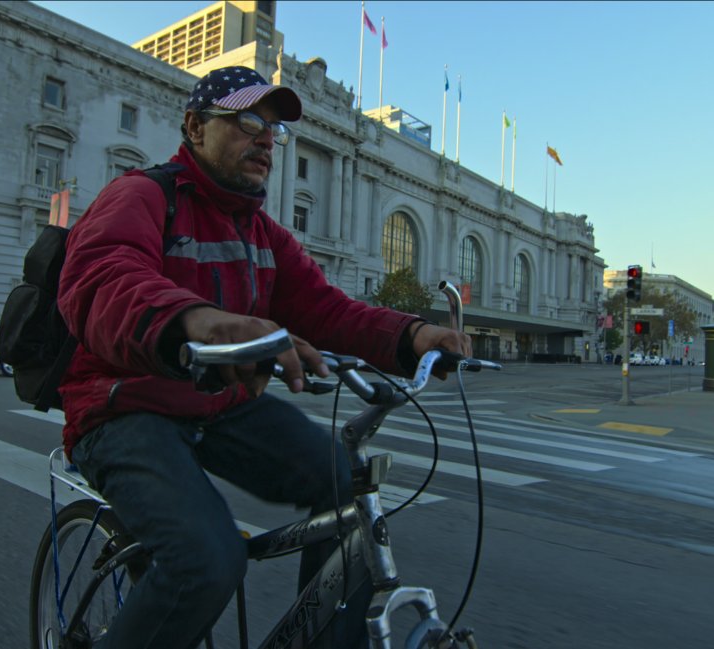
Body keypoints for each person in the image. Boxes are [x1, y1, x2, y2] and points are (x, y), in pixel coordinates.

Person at [55, 66, 471, 649]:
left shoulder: (265, 235)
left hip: (219, 406)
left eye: (273, 129)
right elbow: (101, 279)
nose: (266, 140)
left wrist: (413, 335)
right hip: (124, 406)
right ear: (195, 127)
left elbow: (328, 309)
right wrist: (200, 321)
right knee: (207, 559)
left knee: (345, 485)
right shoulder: (142, 194)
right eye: (248, 121)